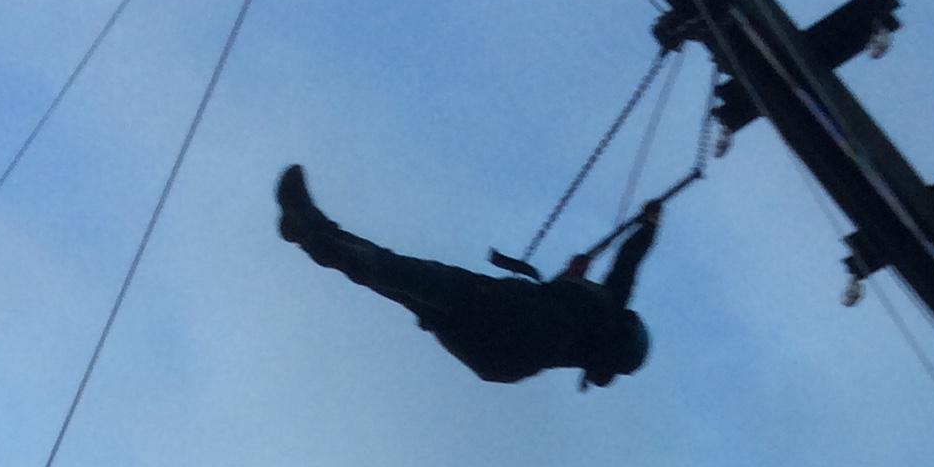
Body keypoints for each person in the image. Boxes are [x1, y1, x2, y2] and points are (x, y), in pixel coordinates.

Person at [276, 165, 659, 389]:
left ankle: (312, 229)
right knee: (400, 284)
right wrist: (571, 279)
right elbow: (570, 304)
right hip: (496, 359)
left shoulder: (605, 312)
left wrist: (649, 225)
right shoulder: (585, 340)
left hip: (508, 314)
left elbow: (627, 264)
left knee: (401, 274)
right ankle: (308, 232)